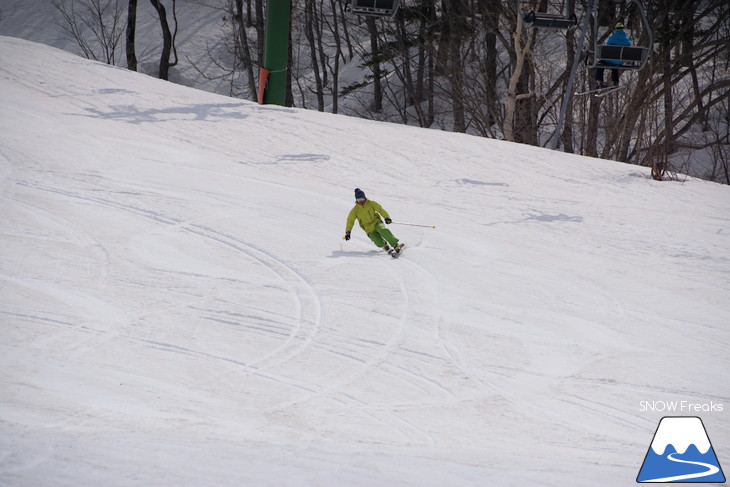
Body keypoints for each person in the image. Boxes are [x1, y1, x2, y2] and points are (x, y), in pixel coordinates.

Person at [344, 188, 403, 254]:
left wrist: (386, 217)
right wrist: (348, 232)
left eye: (362, 199)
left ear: (364, 197)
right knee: (378, 241)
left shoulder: (371, 203)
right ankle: (385, 246)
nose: (361, 201)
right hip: (368, 228)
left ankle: (395, 244)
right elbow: (350, 221)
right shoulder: (355, 210)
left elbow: (381, 210)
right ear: (356, 200)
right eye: (358, 200)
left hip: (376, 222)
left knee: (383, 230)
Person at [594, 22, 631, 89]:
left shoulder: (612, 38)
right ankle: (615, 82)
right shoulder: (627, 40)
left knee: (600, 64)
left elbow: (607, 49)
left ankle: (600, 82)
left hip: (611, 59)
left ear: (616, 29)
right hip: (620, 61)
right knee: (615, 65)